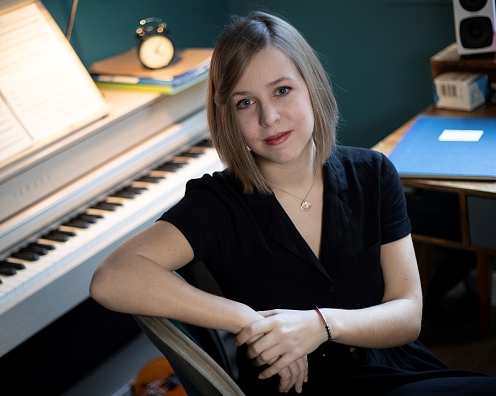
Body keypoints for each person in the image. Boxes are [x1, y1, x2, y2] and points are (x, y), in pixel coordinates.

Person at [90, 11, 496, 395]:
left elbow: (407, 315)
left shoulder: (372, 173)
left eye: (282, 90)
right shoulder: (216, 204)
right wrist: (248, 320)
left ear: (312, 88)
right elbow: (111, 278)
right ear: (227, 116)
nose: (269, 117)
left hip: (397, 368)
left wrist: (319, 325)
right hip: (297, 385)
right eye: (244, 102)